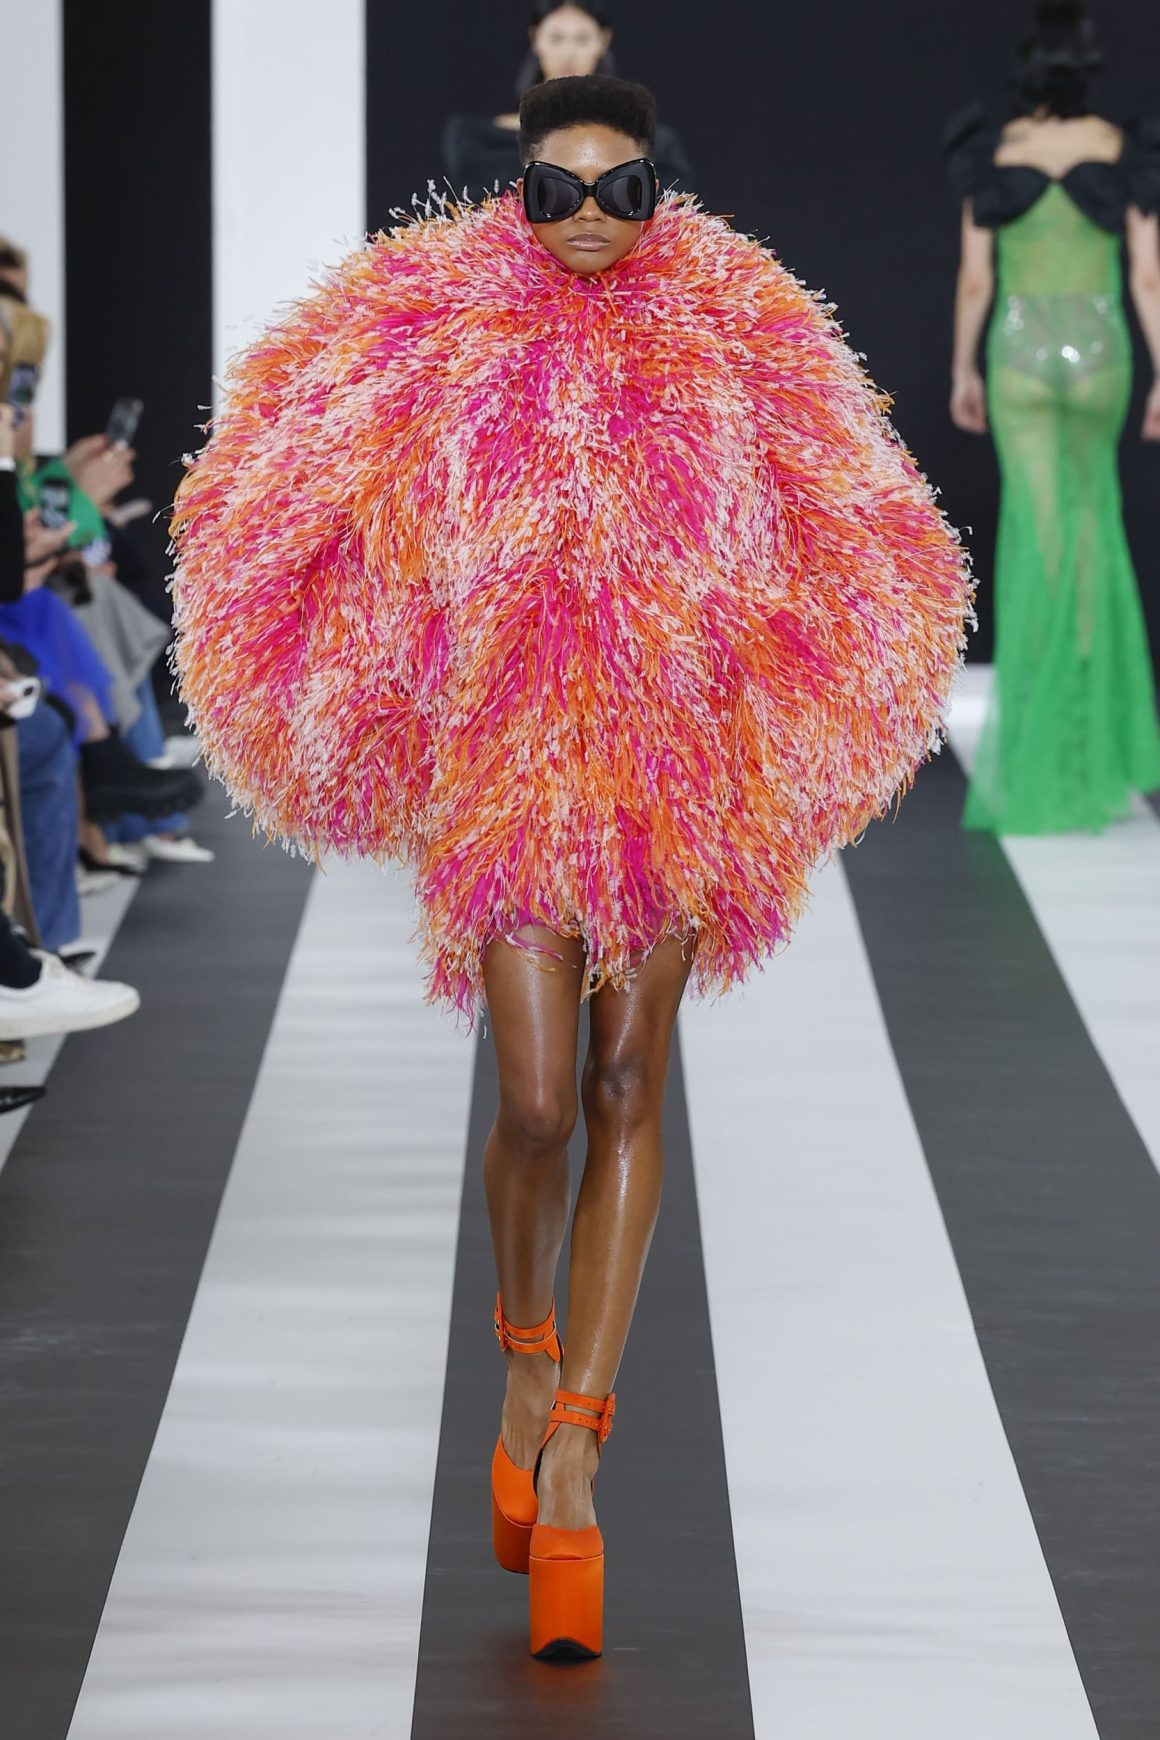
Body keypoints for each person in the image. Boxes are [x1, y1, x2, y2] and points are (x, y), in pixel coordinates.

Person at [171, 73, 971, 1660]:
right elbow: (289, 484)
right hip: (506, 768)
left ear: (660, 188)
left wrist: (778, 693)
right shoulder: (428, 316)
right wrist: (384, 680)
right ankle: (526, 1348)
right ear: (515, 187)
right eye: (559, 190)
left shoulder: (740, 320)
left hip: (675, 773)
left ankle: (580, 1453)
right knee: (535, 1101)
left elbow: (861, 517)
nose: (592, 217)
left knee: (624, 1083)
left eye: (623, 190)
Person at [947, 0, 1160, 832]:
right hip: (1102, 356)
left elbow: (976, 279)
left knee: (1040, 537)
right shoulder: (1124, 150)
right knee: (1092, 527)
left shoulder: (993, 152)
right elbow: (1147, 277)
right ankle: (1089, 741)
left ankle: (1043, 743)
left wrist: (963, 368)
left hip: (1022, 360)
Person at [442, 2, 692, 201]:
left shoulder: (656, 145)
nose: (568, 52)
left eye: (582, 39)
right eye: (557, 38)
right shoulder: (480, 142)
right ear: (535, 38)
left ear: (603, 40)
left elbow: (673, 207)